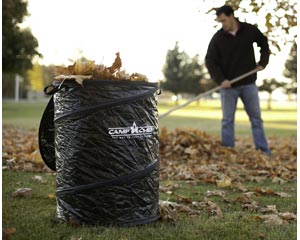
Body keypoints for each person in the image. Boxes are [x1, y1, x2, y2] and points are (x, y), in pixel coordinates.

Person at [205, 5, 271, 154]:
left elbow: (263, 43)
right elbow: (210, 61)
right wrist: (221, 80)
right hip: (228, 87)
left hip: (249, 84)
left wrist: (262, 63)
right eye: (220, 22)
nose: (223, 24)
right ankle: (228, 151)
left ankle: (263, 150)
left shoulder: (249, 30)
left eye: (224, 20)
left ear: (232, 16)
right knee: (227, 121)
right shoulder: (218, 38)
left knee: (256, 119)